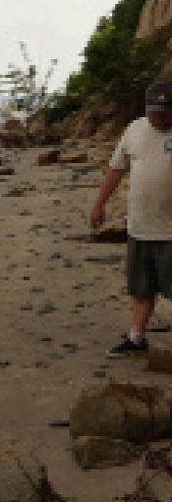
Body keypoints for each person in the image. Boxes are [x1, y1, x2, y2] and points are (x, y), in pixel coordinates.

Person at [90, 80, 172, 357]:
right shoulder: (135, 129)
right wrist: (99, 204)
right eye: (154, 112)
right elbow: (115, 169)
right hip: (139, 228)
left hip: (171, 232)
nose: (159, 117)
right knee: (141, 288)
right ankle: (136, 339)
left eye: (165, 112)